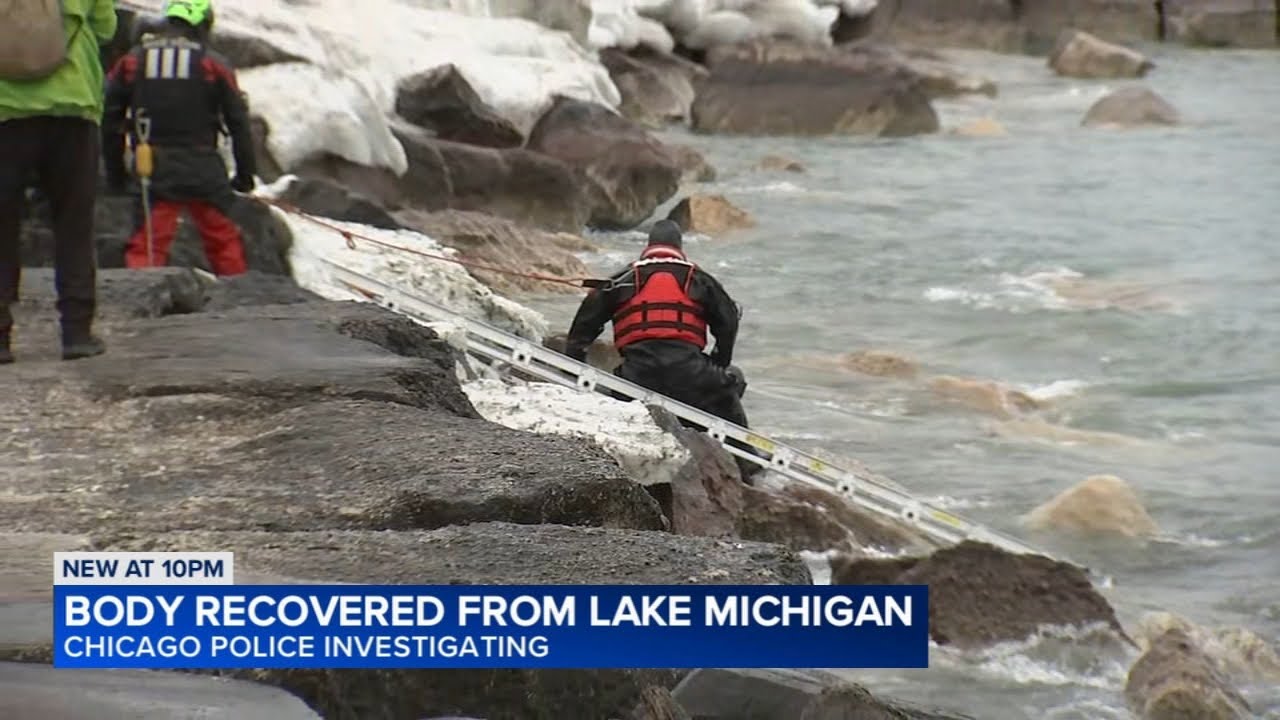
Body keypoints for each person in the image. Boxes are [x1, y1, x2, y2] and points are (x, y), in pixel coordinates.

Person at [565, 219, 763, 480]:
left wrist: (574, 369)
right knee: (732, 379)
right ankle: (745, 461)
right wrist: (719, 362)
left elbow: (581, 330)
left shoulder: (622, 280)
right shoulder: (700, 280)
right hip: (692, 379)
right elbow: (728, 323)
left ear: (649, 246)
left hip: (636, 379)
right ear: (679, 247)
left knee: (610, 384)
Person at [0, 0, 118, 364]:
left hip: (4, 113)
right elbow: (106, 28)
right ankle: (77, 332)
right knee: (73, 223)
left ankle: (0, 338)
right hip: (72, 107)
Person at [102, 0, 255, 276]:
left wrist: (116, 175)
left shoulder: (134, 61)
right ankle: (240, 297)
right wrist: (245, 176)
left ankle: (142, 299)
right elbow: (239, 123)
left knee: (147, 247)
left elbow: (110, 120)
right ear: (203, 23)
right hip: (204, 167)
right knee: (224, 242)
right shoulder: (213, 63)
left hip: (152, 168)